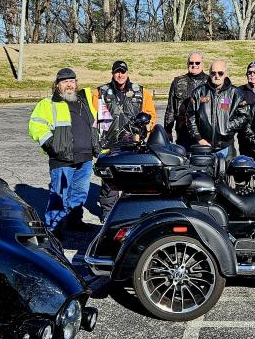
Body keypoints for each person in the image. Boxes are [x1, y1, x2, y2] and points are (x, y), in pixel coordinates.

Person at [28, 68, 98, 234]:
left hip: (85, 157)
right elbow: (36, 126)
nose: (69, 85)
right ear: (57, 85)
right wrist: (53, 146)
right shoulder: (48, 104)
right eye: (65, 81)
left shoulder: (84, 101)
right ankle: (54, 228)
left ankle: (74, 221)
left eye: (72, 81)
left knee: (80, 194)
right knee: (59, 196)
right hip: (62, 159)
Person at [94, 60, 157, 220]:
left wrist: (145, 131)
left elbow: (150, 116)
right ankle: (108, 213)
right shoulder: (100, 92)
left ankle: (133, 212)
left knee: (135, 179)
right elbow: (94, 118)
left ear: (127, 73)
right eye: (117, 72)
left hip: (134, 143)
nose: (120, 75)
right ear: (112, 73)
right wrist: (96, 141)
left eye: (123, 71)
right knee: (110, 181)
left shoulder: (141, 92)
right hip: (109, 143)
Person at [186, 60, 248, 160]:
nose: (217, 76)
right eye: (213, 73)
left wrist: (228, 127)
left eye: (220, 73)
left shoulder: (235, 93)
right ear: (209, 73)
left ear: (226, 74)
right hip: (203, 146)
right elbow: (190, 117)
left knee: (226, 169)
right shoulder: (199, 92)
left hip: (226, 146)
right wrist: (199, 138)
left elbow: (244, 116)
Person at [164, 52, 208, 148]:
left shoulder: (209, 82)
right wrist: (167, 131)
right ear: (187, 64)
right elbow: (170, 109)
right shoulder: (178, 82)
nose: (194, 65)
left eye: (197, 63)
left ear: (202, 64)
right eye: (191, 63)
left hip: (204, 134)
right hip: (183, 132)